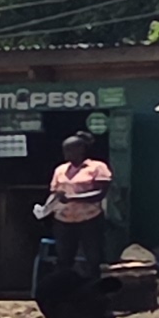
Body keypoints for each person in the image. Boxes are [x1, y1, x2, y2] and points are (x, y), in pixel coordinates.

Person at [34, 120, 115, 303]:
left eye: (71, 150)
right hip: (64, 220)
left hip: (90, 219)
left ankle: (95, 296)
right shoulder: (60, 170)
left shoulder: (97, 167)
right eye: (65, 151)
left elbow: (100, 193)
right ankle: (65, 296)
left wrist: (73, 198)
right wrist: (46, 208)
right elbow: (55, 193)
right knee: (64, 260)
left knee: (93, 259)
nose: (67, 154)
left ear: (81, 150)